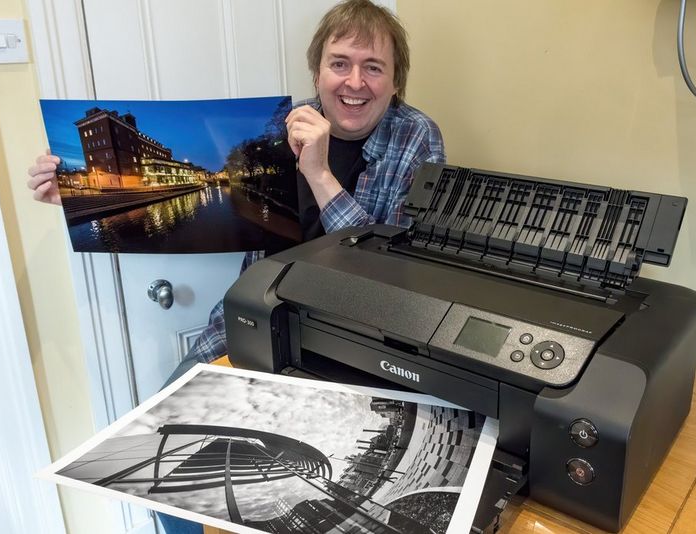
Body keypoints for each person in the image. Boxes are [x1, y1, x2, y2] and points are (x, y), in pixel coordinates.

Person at [28, 0, 444, 531]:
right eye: (340, 62)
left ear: (395, 81)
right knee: (159, 467)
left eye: (374, 67)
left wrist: (318, 173)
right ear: (317, 70)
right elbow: (190, 213)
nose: (355, 82)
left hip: (354, 343)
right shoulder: (278, 122)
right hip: (253, 318)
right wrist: (73, 197)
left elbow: (391, 270)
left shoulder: (417, 137)